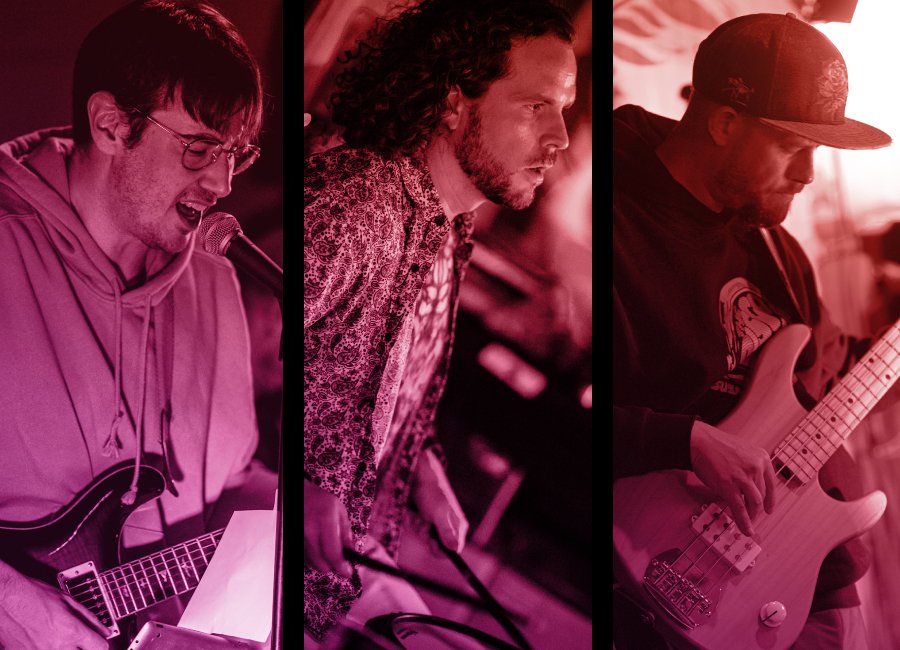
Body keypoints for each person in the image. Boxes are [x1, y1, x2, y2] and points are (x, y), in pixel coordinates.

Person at [0, 2, 275, 648]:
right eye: (200, 149)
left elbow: (232, 482)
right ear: (110, 124)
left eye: (237, 153)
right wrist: (22, 610)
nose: (223, 182)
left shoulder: (217, 280)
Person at [613, 12, 891, 650]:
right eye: (795, 148)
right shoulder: (622, 225)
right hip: (654, 550)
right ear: (724, 123)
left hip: (789, 565)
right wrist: (684, 439)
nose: (809, 175)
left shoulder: (780, 255)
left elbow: (829, 373)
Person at [304, 0, 577, 642]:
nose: (560, 137)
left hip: (330, 571)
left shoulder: (445, 229)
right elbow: (225, 352)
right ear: (455, 104)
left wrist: (418, 462)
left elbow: (366, 379)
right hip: (237, 552)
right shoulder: (359, 205)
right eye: (537, 105)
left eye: (563, 110)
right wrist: (299, 476)